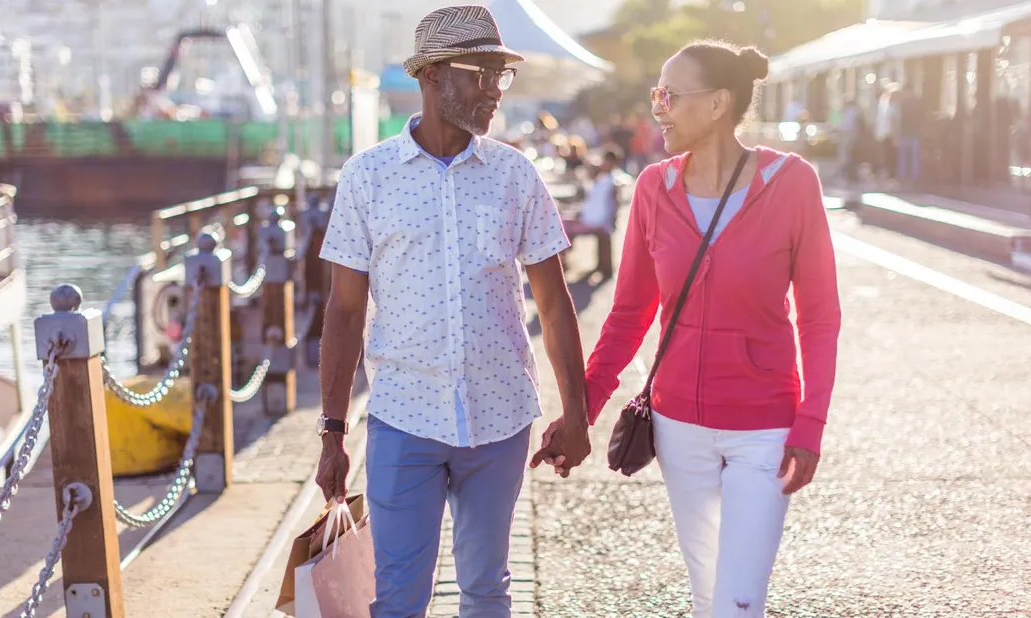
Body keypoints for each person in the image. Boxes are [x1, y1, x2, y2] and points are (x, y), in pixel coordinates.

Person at [314, 6, 591, 617]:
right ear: (434, 75)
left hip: (500, 420)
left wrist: (577, 413)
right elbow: (345, 310)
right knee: (399, 600)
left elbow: (553, 299)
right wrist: (332, 433)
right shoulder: (368, 177)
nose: (495, 90)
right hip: (403, 417)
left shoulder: (516, 176)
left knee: (487, 590)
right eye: (481, 74)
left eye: (502, 76)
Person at [583, 40, 841, 617]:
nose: (659, 108)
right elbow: (630, 312)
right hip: (679, 429)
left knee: (738, 602)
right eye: (658, 94)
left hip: (764, 430)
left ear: (719, 103)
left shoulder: (791, 183)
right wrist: (585, 404)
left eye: (670, 95)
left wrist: (811, 423)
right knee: (708, 597)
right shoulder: (654, 187)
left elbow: (820, 315)